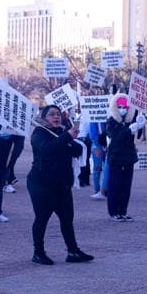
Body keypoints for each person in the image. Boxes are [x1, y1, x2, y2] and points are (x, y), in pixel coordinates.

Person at [27, 105, 93, 265]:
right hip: (42, 184)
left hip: (62, 184)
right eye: (51, 114)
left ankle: (73, 251)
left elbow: (76, 151)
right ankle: (38, 253)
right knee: (42, 218)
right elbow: (47, 150)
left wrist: (73, 138)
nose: (56, 117)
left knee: (67, 219)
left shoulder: (61, 131)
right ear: (44, 117)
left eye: (58, 114)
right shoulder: (39, 133)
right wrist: (66, 138)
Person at [105, 94, 144, 222]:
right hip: (115, 158)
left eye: (125, 107)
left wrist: (140, 125)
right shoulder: (111, 121)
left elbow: (137, 137)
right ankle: (114, 212)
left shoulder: (130, 121)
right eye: (120, 106)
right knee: (114, 186)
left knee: (125, 187)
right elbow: (115, 136)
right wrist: (128, 130)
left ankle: (123, 211)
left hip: (128, 158)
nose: (123, 109)